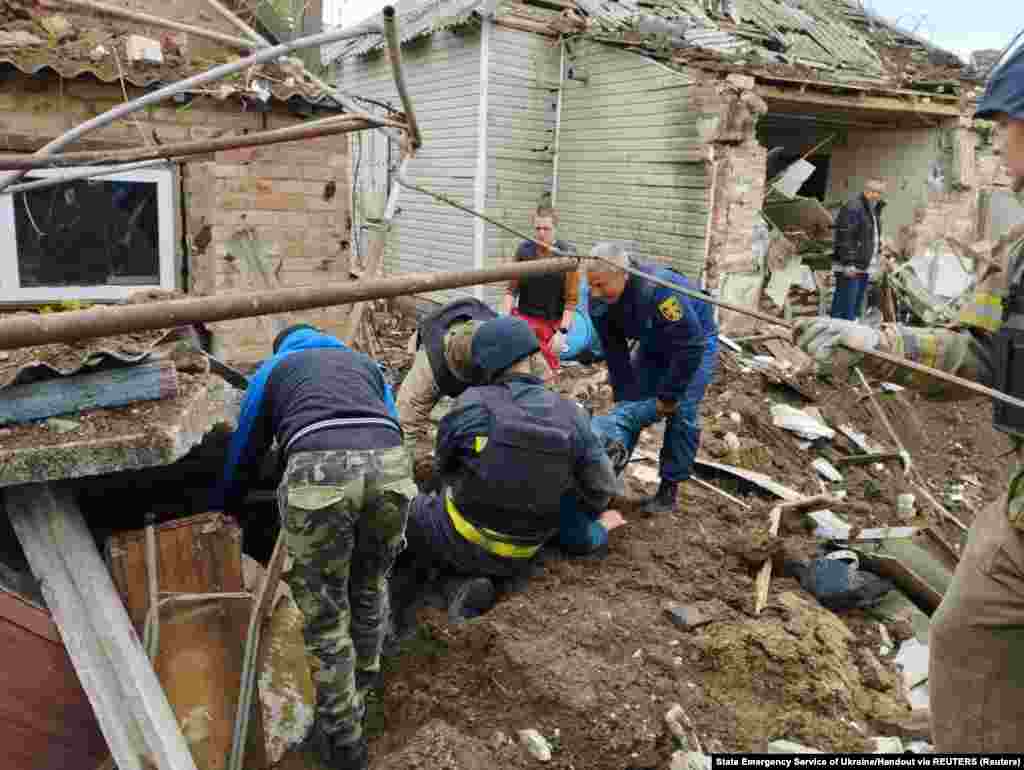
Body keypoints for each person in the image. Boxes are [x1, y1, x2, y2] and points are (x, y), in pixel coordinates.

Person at [792, 33, 1024, 750]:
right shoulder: (1020, 251)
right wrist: (878, 343)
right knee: (964, 641)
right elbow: (975, 354)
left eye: (1004, 132)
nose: (998, 155)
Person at [216, 324, 416, 770]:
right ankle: (364, 692)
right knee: (367, 585)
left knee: (325, 613)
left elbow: (245, 445)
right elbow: (396, 429)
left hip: (319, 472)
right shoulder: (366, 365)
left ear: (282, 346)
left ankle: (344, 743)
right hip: (390, 470)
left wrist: (226, 505)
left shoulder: (275, 368)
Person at [397, 315, 622, 621]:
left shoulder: (471, 403)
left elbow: (443, 467)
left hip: (459, 540)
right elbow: (602, 488)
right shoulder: (572, 415)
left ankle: (440, 587)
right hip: (524, 552)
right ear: (530, 356)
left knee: (399, 510)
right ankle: (465, 586)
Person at [585, 242, 718, 515]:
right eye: (592, 286)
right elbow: (615, 350)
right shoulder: (598, 299)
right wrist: (625, 397)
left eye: (601, 285)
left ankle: (668, 491)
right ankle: (607, 477)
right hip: (653, 342)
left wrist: (668, 397)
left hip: (694, 343)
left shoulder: (659, 291)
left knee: (682, 412)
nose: (595, 293)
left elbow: (691, 345)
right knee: (628, 407)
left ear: (624, 274)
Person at [396, 297, 498, 485]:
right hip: (435, 355)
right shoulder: (428, 366)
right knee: (408, 413)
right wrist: (402, 481)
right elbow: (406, 424)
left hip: (485, 368)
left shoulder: (505, 350)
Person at [503, 205, 580, 374]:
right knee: (519, 369)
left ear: (555, 228)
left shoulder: (568, 255)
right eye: (538, 228)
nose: (541, 233)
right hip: (525, 320)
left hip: (552, 324)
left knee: (547, 371)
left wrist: (562, 332)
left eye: (546, 228)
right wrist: (504, 319)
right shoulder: (524, 251)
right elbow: (511, 291)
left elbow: (571, 301)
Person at [831, 178, 887, 321]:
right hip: (851, 265)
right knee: (845, 306)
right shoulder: (854, 207)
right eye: (872, 191)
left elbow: (872, 236)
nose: (875, 195)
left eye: (879, 192)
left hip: (863, 265)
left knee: (853, 307)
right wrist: (848, 262)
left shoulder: (874, 210)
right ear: (865, 190)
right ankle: (837, 336)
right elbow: (845, 235)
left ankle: (846, 335)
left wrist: (879, 254)